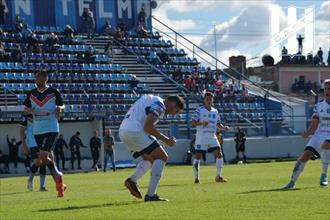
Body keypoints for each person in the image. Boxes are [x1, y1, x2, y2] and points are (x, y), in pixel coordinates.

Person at [119, 94, 184, 201]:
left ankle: (132, 181)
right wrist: (166, 140)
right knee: (162, 156)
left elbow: (144, 124)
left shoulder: (151, 98)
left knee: (151, 158)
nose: (173, 114)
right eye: (176, 111)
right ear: (173, 103)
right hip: (134, 131)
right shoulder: (160, 105)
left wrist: (155, 142)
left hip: (124, 131)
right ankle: (151, 195)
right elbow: (148, 126)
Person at [23, 69, 66, 197]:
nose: (36, 79)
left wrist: (59, 108)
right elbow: (24, 111)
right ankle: (59, 183)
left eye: (39, 77)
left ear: (45, 78)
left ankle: (58, 175)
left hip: (51, 128)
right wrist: (28, 110)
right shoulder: (31, 94)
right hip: (37, 130)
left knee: (42, 157)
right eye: (35, 77)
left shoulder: (53, 92)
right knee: (43, 159)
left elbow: (62, 105)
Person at [283, 79, 330, 189]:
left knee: (326, 144)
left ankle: (324, 175)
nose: (327, 91)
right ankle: (292, 181)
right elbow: (315, 123)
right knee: (306, 155)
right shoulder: (319, 105)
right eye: (326, 88)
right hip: (319, 134)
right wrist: (308, 133)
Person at [191, 92, 229, 184]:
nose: (208, 101)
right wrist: (201, 123)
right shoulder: (199, 110)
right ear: (204, 100)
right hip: (201, 137)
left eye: (210, 99)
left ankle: (218, 177)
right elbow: (193, 122)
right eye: (207, 99)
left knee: (219, 154)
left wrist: (223, 128)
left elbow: (218, 124)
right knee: (198, 157)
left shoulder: (215, 111)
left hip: (212, 136)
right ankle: (196, 178)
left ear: (213, 100)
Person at [20, 114, 48, 192]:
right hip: (33, 142)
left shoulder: (42, 111)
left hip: (43, 141)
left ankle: (42, 186)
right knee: (37, 162)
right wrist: (24, 145)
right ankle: (30, 180)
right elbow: (21, 130)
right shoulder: (26, 114)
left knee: (43, 162)